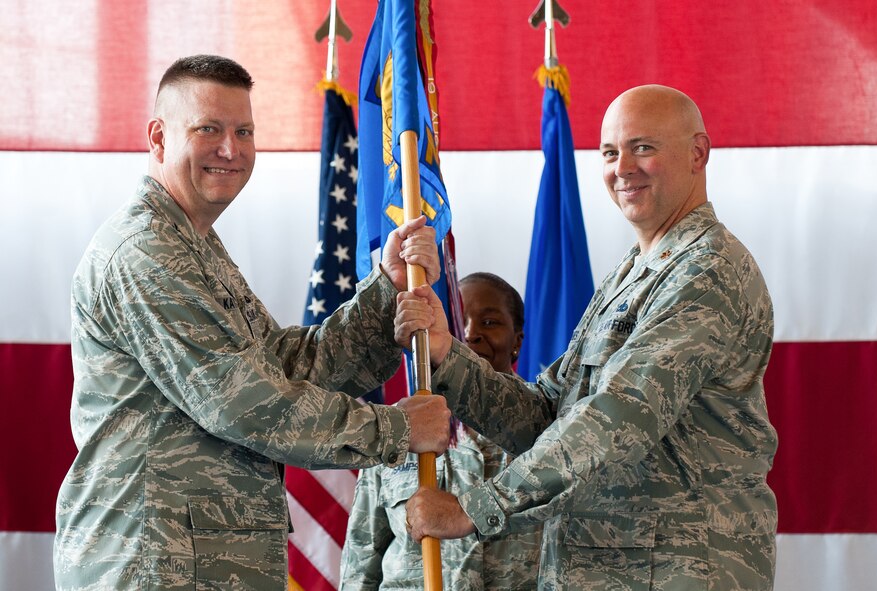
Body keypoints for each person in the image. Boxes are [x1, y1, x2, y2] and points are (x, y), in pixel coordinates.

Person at [53, 55, 452, 590]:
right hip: (155, 563)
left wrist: (384, 295)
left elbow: (286, 365)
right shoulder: (146, 252)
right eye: (208, 129)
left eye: (244, 131)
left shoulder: (192, 244)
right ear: (158, 137)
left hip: (200, 558)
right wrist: (397, 429)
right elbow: (241, 403)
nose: (230, 149)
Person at [396, 85, 779, 590]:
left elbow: (621, 414)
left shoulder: (708, 271)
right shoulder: (633, 272)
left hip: (679, 571)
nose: (622, 168)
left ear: (698, 153)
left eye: (643, 147)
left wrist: (476, 506)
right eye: (609, 152)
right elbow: (548, 414)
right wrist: (448, 355)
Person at [340, 272, 541, 590]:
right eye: (460, 320)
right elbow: (363, 561)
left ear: (517, 340)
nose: (472, 333)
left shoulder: (549, 429)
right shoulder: (401, 427)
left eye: (490, 322)